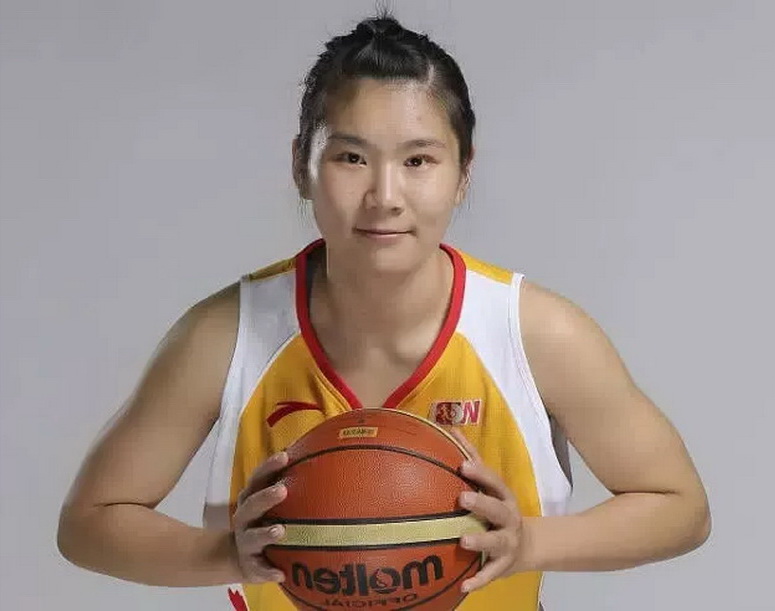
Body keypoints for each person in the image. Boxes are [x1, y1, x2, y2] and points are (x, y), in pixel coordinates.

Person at [57, 10, 711, 611]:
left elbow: (682, 506)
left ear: (463, 172)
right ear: (301, 166)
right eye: (351, 158)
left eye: (419, 159)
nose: (385, 195)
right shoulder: (224, 335)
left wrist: (528, 542)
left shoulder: (536, 334)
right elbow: (88, 522)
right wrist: (229, 555)